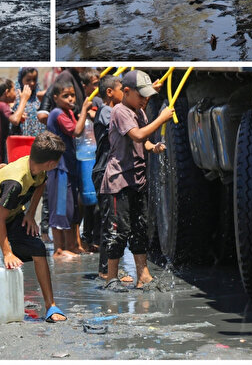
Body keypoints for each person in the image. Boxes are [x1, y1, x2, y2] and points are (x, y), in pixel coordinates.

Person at [0, 132, 68, 325]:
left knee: (38, 249)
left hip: (15, 214)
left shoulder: (39, 169)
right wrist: (7, 252)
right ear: (51, 163)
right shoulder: (15, 182)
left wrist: (30, 214)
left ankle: (51, 305)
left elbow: (41, 184)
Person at [100, 71, 172, 290]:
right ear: (127, 92)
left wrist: (154, 147)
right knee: (119, 231)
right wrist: (161, 118)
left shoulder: (138, 110)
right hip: (119, 181)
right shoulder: (120, 111)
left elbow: (145, 142)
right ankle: (111, 276)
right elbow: (138, 136)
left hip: (137, 180)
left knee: (140, 227)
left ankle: (143, 275)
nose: (145, 100)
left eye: (147, 96)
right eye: (141, 96)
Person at [45, 74, 95, 258]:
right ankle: (59, 250)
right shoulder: (57, 113)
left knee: (70, 208)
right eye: (66, 96)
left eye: (73, 95)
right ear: (55, 97)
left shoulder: (67, 113)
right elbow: (76, 131)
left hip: (69, 166)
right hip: (60, 168)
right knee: (60, 208)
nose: (71, 99)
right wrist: (83, 110)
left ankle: (71, 246)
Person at [92, 75, 134, 282]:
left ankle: (108, 268)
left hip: (106, 172)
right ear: (110, 92)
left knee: (111, 220)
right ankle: (106, 270)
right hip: (104, 172)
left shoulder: (108, 110)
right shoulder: (107, 112)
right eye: (122, 89)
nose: (125, 93)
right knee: (110, 221)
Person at [0, 77, 30, 186]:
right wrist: (24, 99)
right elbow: (15, 120)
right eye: (13, 90)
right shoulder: (1, 105)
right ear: (7, 92)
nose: (16, 94)